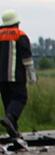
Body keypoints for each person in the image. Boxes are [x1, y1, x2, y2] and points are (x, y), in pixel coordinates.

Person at [1, 9, 36, 145]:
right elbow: (27, 58)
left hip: (1, 78)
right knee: (20, 98)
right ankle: (10, 119)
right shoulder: (20, 35)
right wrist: (31, 75)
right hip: (16, 76)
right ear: (16, 23)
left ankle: (13, 134)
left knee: (8, 102)